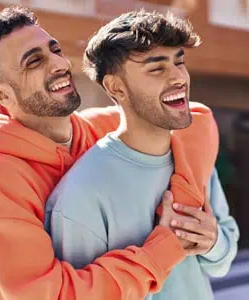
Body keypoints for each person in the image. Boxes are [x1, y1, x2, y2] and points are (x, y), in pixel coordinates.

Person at [0, 6, 222, 300]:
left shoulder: (95, 130)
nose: (58, 63)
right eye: (34, 61)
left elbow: (192, 119)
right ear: (2, 95)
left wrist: (184, 210)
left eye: (54, 49)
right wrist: (164, 248)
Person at [45, 10, 239, 300]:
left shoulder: (193, 156)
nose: (178, 78)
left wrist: (212, 243)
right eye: (157, 68)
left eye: (179, 62)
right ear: (116, 87)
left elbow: (222, 259)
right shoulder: (82, 194)